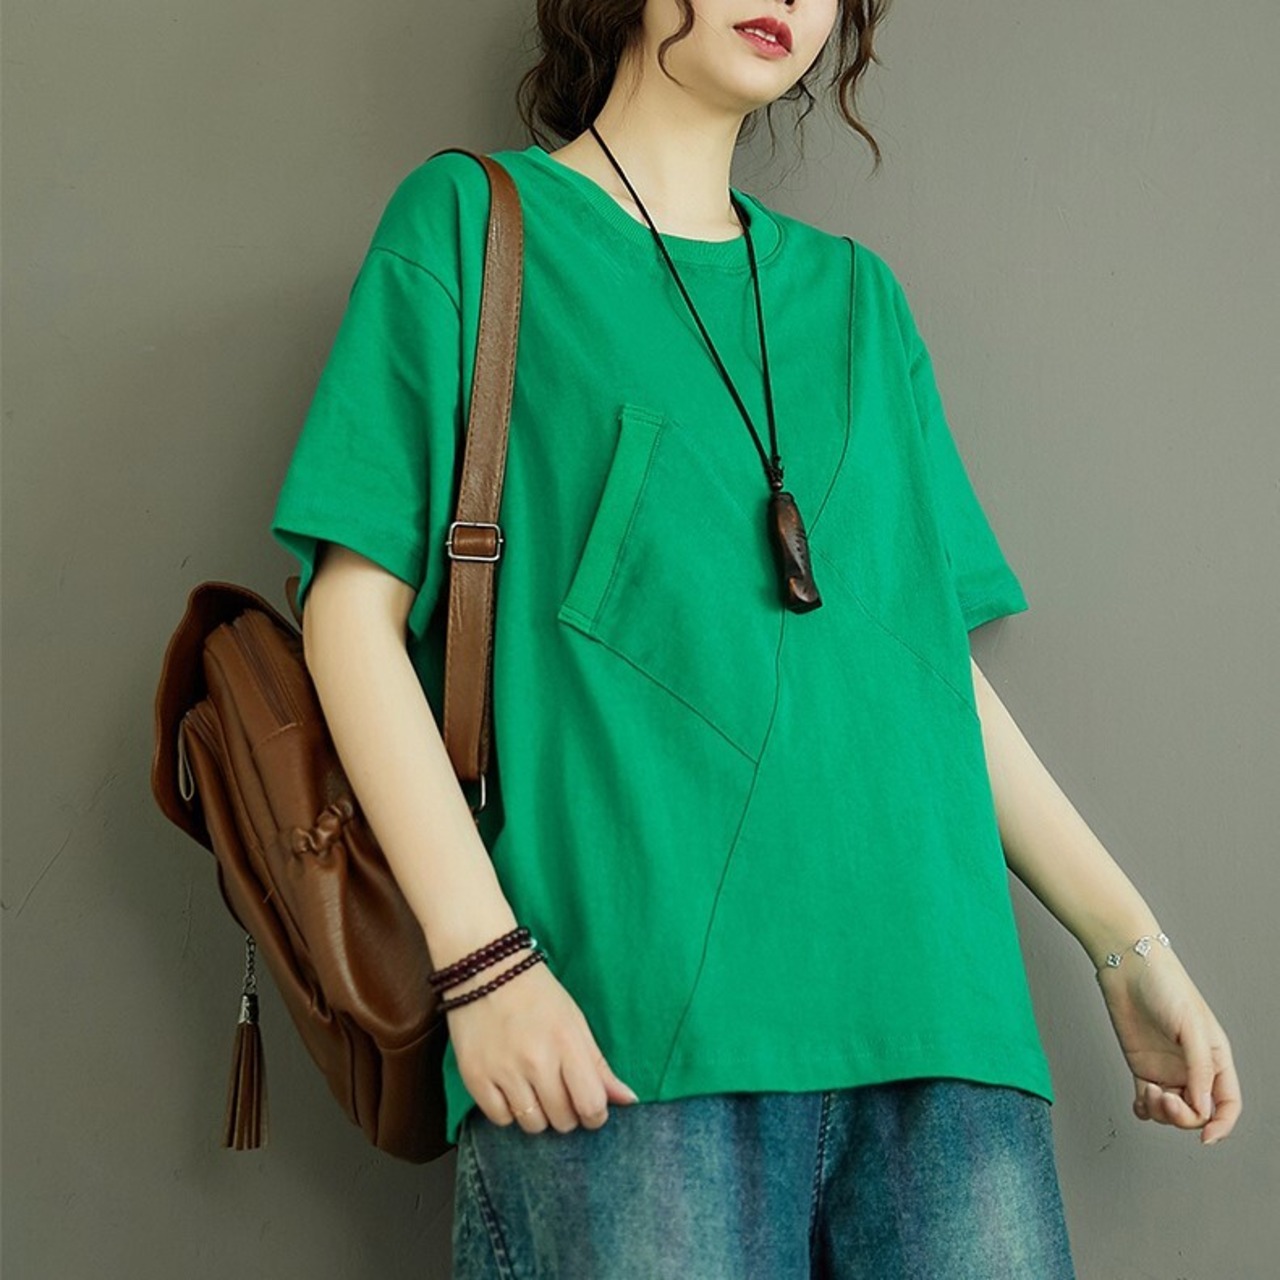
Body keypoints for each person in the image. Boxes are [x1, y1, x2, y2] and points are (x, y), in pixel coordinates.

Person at [270, 2, 1243, 1275]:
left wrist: (1125, 941)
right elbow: (349, 613)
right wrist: (483, 964)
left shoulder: (859, 302)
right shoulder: (473, 225)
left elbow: (923, 673)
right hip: (628, 1033)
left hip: (942, 1026)